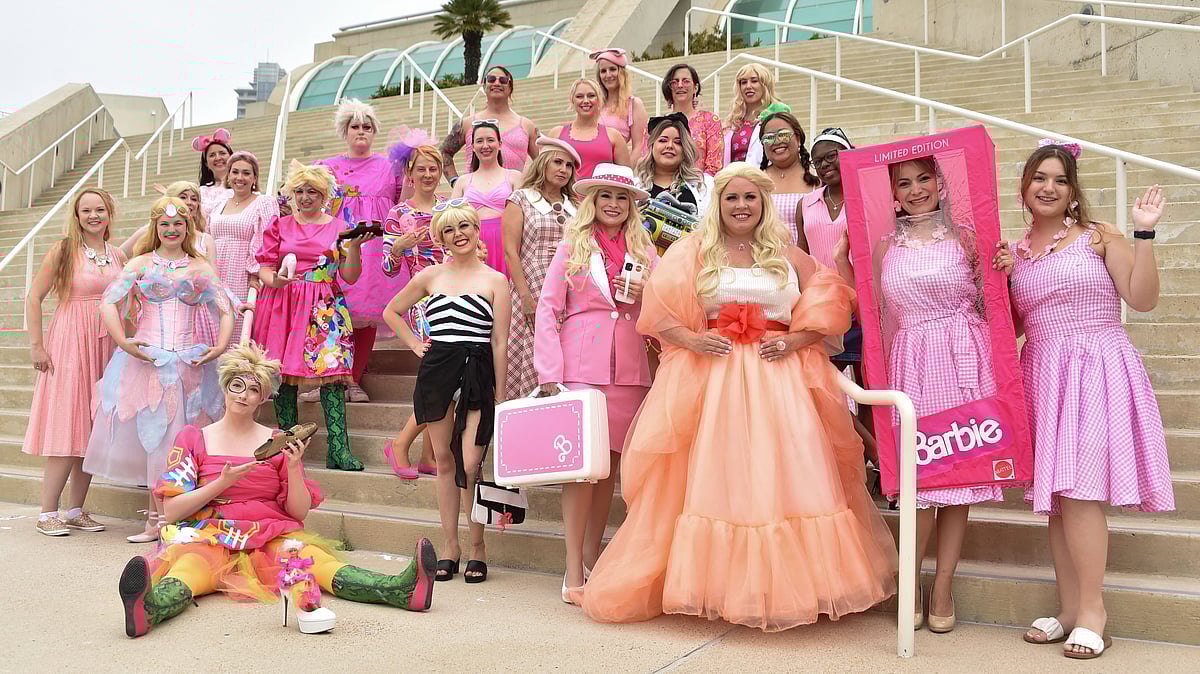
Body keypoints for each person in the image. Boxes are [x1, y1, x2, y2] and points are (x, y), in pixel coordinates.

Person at [581, 163, 896, 630]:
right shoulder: (694, 251)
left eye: (750, 197)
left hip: (780, 381)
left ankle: (789, 588)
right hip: (717, 383)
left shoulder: (786, 253)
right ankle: (722, 588)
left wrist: (797, 338)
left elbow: (831, 294)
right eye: (732, 198)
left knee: (787, 477)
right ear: (719, 204)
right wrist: (692, 339)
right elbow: (660, 311)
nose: (741, 206)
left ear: (764, 203)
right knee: (722, 477)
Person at [116, 343, 437, 638]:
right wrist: (222, 483)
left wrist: (295, 466)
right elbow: (172, 511)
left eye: (253, 389)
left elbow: (297, 513)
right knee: (191, 569)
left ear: (263, 396)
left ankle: (401, 589)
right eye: (236, 386)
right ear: (225, 389)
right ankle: (149, 608)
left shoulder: (277, 441)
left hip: (270, 535)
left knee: (315, 562)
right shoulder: (193, 438)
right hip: (207, 534)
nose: (243, 395)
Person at [994, 142, 1173, 660]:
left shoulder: (1098, 238)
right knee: (1056, 501)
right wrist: (1002, 279)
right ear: (1024, 187)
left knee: (1079, 492)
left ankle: (1095, 611)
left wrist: (1143, 234)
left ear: (1073, 189)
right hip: (1044, 371)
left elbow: (1142, 299)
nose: (1048, 188)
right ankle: (1070, 609)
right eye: (1039, 178)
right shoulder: (1017, 251)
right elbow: (1016, 326)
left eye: (1060, 179)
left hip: (1096, 365)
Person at [843, 156, 1003, 633]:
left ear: (940, 183)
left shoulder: (967, 240)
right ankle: (911, 580)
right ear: (892, 192)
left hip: (964, 358)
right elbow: (869, 311)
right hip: (912, 362)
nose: (916, 190)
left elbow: (992, 300)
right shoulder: (883, 247)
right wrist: (840, 264)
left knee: (961, 478)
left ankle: (945, 587)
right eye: (904, 183)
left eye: (924, 179)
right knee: (922, 483)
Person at [534, 163, 657, 604]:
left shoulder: (645, 251)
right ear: (592, 201)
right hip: (579, 366)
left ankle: (592, 558)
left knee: (608, 471)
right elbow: (547, 308)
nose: (613, 203)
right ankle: (572, 573)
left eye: (621, 197)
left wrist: (647, 291)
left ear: (631, 205)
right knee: (580, 472)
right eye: (605, 195)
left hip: (630, 370)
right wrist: (549, 373)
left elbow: (664, 306)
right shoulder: (572, 245)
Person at [83, 197, 233, 543]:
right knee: (156, 442)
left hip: (189, 365)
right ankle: (156, 519)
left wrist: (221, 345)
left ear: (188, 227)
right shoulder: (139, 264)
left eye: (178, 224)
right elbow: (108, 301)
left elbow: (224, 307)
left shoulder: (199, 268)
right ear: (156, 227)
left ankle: (176, 516)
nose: (171, 230)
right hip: (146, 362)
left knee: (181, 441)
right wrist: (122, 340)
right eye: (164, 224)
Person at [382, 202, 512, 584]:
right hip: (438, 368)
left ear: (476, 230)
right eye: (451, 230)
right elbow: (392, 311)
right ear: (441, 238)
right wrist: (415, 344)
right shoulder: (429, 275)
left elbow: (500, 343)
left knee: (470, 462)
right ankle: (451, 547)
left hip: (477, 369)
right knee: (444, 462)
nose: (460, 234)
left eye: (466, 226)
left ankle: (478, 547)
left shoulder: (495, 280)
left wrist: (501, 394)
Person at [252, 161, 374, 472]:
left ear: (325, 195)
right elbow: (265, 268)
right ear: (292, 194)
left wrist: (356, 248)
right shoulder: (279, 225)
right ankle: (287, 447)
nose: (305, 197)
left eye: (313, 192)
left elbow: (350, 276)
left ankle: (339, 449)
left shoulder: (338, 227)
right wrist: (274, 280)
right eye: (300, 191)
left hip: (325, 305)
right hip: (284, 304)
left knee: (332, 375)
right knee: (284, 378)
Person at [23, 189, 127, 537]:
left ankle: (75, 509)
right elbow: (34, 296)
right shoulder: (64, 249)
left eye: (100, 209)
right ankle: (46, 512)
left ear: (109, 214)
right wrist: (37, 345)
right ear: (77, 215)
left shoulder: (115, 254)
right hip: (70, 341)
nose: (94, 215)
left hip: (105, 344)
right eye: (86, 210)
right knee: (69, 423)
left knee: (92, 427)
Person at [309, 99, 404, 403]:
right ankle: (326, 376)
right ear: (344, 131)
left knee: (365, 315)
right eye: (355, 126)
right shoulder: (327, 166)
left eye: (367, 126)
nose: (361, 131)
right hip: (337, 246)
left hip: (374, 249)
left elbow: (403, 202)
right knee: (333, 311)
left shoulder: (390, 165)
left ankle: (353, 379)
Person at [799, 128, 875, 466]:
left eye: (833, 156)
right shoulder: (807, 203)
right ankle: (868, 454)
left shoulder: (867, 197)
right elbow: (802, 253)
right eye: (819, 160)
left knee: (870, 393)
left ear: (848, 154)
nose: (826, 165)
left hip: (864, 305)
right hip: (824, 305)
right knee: (818, 386)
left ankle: (882, 474)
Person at [380, 141, 446, 479]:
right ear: (409, 173)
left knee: (447, 378)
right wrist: (399, 249)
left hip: (456, 296)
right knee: (439, 375)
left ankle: (429, 456)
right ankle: (401, 444)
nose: (428, 174)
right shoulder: (398, 214)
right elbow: (388, 269)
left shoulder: (452, 207)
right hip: (423, 301)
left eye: (433, 168)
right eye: (421, 168)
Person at [502, 136, 581, 401]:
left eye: (569, 166)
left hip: (569, 289)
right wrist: (525, 297)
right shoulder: (521, 199)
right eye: (557, 162)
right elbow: (511, 252)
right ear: (543, 164)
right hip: (532, 285)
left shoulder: (577, 206)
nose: (563, 170)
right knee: (530, 353)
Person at [208, 151, 277, 341]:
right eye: (235, 172)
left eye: (246, 173)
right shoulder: (218, 205)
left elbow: (267, 240)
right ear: (228, 175)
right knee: (214, 328)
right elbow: (207, 238)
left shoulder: (263, 202)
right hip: (216, 272)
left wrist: (256, 273)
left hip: (242, 275)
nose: (240, 178)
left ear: (254, 177)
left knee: (239, 329)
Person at [440, 65, 539, 184]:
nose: (497, 83)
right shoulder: (467, 123)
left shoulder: (527, 126)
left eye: (503, 80)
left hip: (513, 195)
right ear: (484, 86)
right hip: (475, 195)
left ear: (510, 88)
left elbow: (543, 161)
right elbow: (444, 151)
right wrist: (455, 181)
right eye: (491, 79)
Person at [451, 120, 522, 276]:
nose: (485, 146)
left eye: (490, 140)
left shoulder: (515, 178)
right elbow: (451, 219)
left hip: (507, 242)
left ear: (500, 144)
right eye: (479, 141)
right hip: (472, 243)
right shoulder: (462, 182)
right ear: (473, 147)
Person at [758, 109, 819, 244]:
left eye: (784, 135)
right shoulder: (756, 180)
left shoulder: (818, 175)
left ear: (798, 139)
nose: (777, 141)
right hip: (767, 260)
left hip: (810, 261)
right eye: (769, 137)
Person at [550, 79, 631, 179]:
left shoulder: (614, 136)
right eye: (579, 96)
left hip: (600, 193)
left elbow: (627, 178)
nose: (586, 101)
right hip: (566, 194)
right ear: (572, 100)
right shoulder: (556, 134)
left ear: (599, 99)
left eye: (591, 96)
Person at [635, 113, 714, 213]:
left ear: (685, 149)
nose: (670, 146)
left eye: (677, 142)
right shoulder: (634, 187)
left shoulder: (704, 186)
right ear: (651, 146)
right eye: (663, 140)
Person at [661, 63, 722, 176]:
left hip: (700, 187)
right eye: (674, 82)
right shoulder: (659, 124)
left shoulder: (709, 120)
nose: (680, 85)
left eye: (686, 81)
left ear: (695, 87)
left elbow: (714, 165)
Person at [592, 48, 649, 160]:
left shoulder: (634, 104)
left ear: (622, 73)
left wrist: (626, 172)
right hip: (590, 169)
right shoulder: (595, 104)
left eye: (612, 69)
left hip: (616, 170)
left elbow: (639, 146)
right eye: (603, 71)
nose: (608, 75)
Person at [723, 63, 782, 166]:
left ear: (765, 85)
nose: (748, 86)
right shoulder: (732, 120)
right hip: (731, 178)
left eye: (754, 81)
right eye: (743, 82)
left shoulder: (776, 116)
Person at [192, 128, 233, 217]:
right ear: (206, 163)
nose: (218, 158)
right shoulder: (200, 191)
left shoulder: (242, 186)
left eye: (222, 153)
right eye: (212, 155)